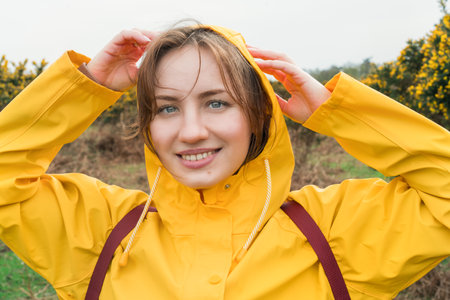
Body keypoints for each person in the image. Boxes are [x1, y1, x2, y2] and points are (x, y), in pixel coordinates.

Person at [0, 24, 448, 300]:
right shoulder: (102, 232)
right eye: (167, 108)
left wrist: (336, 111)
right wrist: (87, 85)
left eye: (216, 103)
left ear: (258, 113)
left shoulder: (335, 232)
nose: (190, 130)